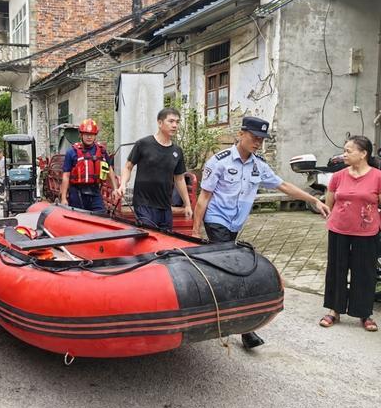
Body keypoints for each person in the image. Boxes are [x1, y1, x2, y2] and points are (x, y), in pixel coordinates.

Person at [191, 116, 331, 349]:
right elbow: (203, 198)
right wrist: (195, 231)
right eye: (254, 137)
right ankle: (246, 330)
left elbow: (283, 186)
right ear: (241, 134)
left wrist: (313, 200)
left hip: (235, 225)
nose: (258, 143)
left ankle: (223, 317)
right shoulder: (219, 162)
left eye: (261, 139)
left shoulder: (259, 165)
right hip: (217, 222)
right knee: (236, 272)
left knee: (228, 272)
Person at [319, 135, 380, 332]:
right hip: (339, 229)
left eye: (348, 151)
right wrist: (331, 218)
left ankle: (364, 313)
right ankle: (334, 310)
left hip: (367, 232)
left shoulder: (378, 176)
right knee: (337, 269)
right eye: (344, 150)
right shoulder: (338, 176)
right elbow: (330, 203)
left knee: (364, 272)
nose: (344, 154)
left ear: (363, 154)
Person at [113, 108, 193, 230]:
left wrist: (187, 204)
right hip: (144, 204)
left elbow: (179, 179)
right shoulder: (143, 144)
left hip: (165, 206)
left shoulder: (177, 151)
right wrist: (123, 184)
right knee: (148, 238)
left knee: (166, 243)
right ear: (160, 123)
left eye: (177, 122)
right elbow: (128, 167)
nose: (175, 125)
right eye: (171, 121)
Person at [59, 118, 118, 212]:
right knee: (78, 219)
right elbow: (66, 175)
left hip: (95, 191)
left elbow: (109, 170)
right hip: (77, 192)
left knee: (100, 215)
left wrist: (115, 189)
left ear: (95, 136)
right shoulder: (72, 152)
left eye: (91, 135)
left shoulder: (102, 152)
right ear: (81, 135)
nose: (89, 137)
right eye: (86, 134)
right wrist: (63, 198)